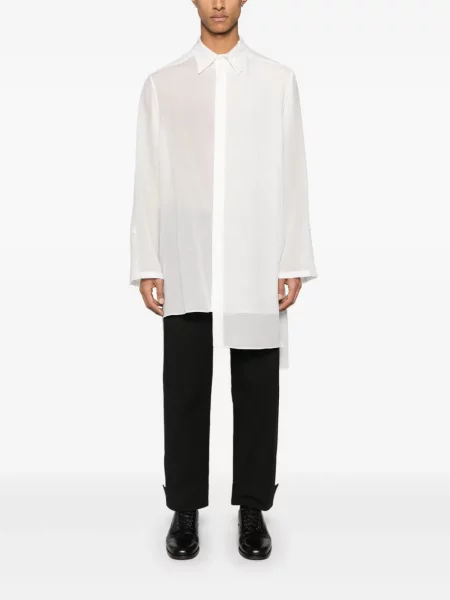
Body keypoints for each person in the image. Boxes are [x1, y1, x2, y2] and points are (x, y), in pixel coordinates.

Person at [129, 0, 318, 561]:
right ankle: (184, 507)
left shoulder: (276, 81)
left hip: (253, 254)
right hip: (186, 256)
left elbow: (293, 169)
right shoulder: (163, 84)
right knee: (184, 384)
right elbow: (148, 172)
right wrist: (147, 261)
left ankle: (253, 507)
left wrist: (291, 259)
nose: (218, 3)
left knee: (258, 387)